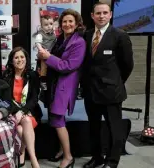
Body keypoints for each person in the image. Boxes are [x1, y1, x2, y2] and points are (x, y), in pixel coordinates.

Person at [81, 2, 134, 168]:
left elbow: (127, 65)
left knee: (114, 129)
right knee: (94, 128)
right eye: (98, 13)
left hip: (111, 92)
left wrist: (116, 82)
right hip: (91, 92)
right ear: (92, 16)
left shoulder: (120, 36)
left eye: (105, 13)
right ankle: (97, 158)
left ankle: (112, 162)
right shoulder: (87, 35)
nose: (101, 16)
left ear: (110, 14)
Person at [37, 8, 86, 168]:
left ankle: (68, 156)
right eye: (64, 21)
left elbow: (68, 65)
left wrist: (48, 57)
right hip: (53, 84)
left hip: (64, 86)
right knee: (55, 118)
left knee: (57, 120)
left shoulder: (79, 42)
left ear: (77, 23)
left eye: (70, 21)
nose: (67, 24)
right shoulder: (60, 39)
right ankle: (61, 150)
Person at [2, 47, 41, 168]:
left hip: (30, 112)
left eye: (22, 57)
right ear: (12, 61)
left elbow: (34, 98)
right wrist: (17, 112)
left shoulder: (33, 75)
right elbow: (6, 99)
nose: (20, 60)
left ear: (26, 59)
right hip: (12, 112)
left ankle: (33, 160)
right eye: (16, 57)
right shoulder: (7, 76)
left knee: (27, 120)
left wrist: (23, 111)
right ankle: (23, 154)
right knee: (20, 130)